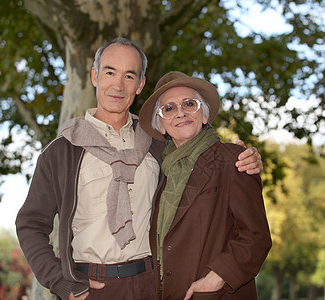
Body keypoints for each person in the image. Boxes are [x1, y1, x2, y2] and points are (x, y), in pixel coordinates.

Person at [15, 38, 263, 300]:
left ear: (140, 84)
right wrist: (61, 283)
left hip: (152, 286)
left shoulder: (158, 146)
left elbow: (199, 153)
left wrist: (244, 157)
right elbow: (30, 224)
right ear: (95, 75)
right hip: (90, 289)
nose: (118, 85)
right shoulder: (61, 153)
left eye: (129, 75)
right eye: (110, 72)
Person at [138, 71, 272, 300]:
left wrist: (219, 275)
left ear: (204, 115)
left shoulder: (233, 159)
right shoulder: (163, 173)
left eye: (189, 104)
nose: (180, 112)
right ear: (161, 126)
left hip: (217, 294)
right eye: (169, 109)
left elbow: (256, 236)